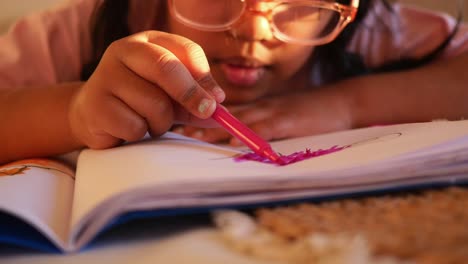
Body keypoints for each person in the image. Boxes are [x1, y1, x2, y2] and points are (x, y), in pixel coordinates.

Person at [0, 0, 467, 165]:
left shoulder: (370, 33)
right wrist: (73, 110)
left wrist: (348, 105)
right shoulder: (78, 33)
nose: (254, 29)